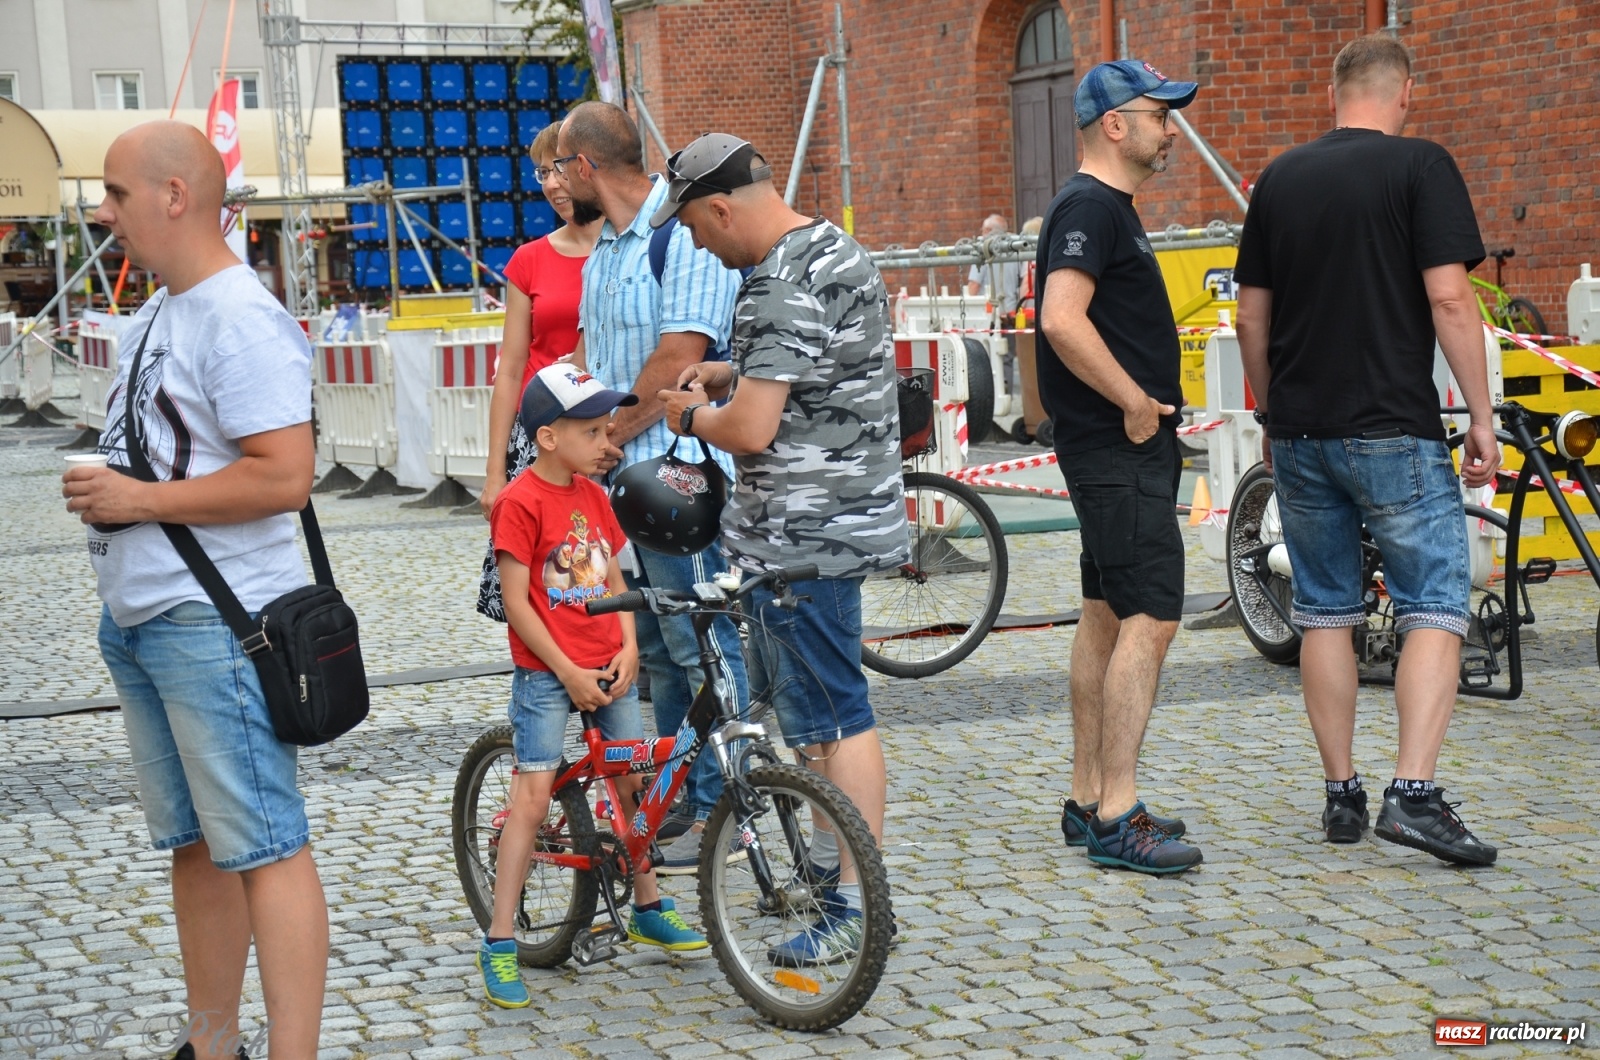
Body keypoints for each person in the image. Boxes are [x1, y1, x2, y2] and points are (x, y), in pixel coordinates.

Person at [63, 121, 327, 1060]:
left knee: (265, 846)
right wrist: (118, 497)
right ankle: (212, 1047)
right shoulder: (158, 313)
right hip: (146, 618)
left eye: (115, 192)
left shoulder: (240, 317)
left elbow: (284, 477)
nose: (103, 212)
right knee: (199, 847)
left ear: (175, 196)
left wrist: (135, 497)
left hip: (219, 624)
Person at [1234, 33, 1500, 865]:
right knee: (1434, 601)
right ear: (1405, 93)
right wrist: (1483, 416)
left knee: (1323, 608)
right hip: (1393, 427)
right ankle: (1413, 795)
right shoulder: (1421, 167)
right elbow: (1451, 300)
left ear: (1332, 93)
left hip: (1303, 434)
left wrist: (1273, 416)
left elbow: (1249, 317)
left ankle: (1341, 793)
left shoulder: (1279, 179)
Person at [655, 132, 907, 962]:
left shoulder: (773, 283)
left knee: (835, 718)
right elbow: (810, 368)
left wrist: (690, 416)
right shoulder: (834, 249)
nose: (695, 244)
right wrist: (731, 372)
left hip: (802, 538)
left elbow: (756, 429)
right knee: (823, 713)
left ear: (721, 207)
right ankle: (845, 887)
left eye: (694, 228)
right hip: (841, 520)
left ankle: (854, 907)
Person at [555, 101, 749, 872]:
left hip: (679, 478)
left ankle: (733, 805)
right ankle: (687, 797)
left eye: (558, 166)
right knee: (662, 651)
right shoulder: (607, 247)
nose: (553, 180)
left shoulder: (680, 234)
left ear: (585, 168)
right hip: (621, 482)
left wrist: (606, 435)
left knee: (702, 638)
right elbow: (594, 355)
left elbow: (677, 358)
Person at [476, 362, 707, 1009]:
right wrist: (565, 671)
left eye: (607, 428)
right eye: (592, 430)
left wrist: (630, 646)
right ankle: (499, 941)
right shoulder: (520, 502)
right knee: (531, 798)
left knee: (631, 786)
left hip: (607, 664)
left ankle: (649, 904)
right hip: (549, 674)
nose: (607, 440)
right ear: (548, 436)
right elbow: (519, 603)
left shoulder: (593, 497)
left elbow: (612, 581)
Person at [1035, 60, 1203, 875]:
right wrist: (1136, 401)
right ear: (1114, 124)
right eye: (1158, 115)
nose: (1169, 128)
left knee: (1103, 613)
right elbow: (1061, 321)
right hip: (1119, 446)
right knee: (1153, 618)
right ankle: (1118, 812)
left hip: (1114, 449)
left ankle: (1087, 796)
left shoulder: (1104, 209)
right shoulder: (1090, 207)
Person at [476, 120, 602, 615]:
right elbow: (509, 371)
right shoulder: (529, 260)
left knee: (601, 580)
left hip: (609, 432)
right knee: (551, 586)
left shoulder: (634, 254)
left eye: (558, 169)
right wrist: (493, 473)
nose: (550, 183)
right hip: (541, 442)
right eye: (540, 173)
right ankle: (551, 678)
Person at [965, 212, 1023, 319]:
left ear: (988, 230)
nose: (981, 234)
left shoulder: (983, 249)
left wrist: (968, 311)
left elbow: (974, 285)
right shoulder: (1014, 248)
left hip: (987, 313)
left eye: (982, 231)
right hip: (1010, 312)